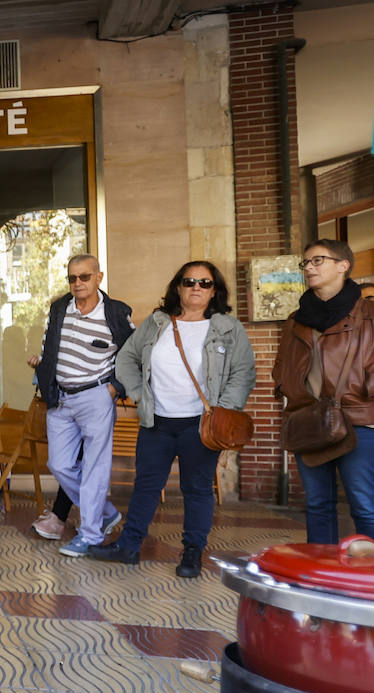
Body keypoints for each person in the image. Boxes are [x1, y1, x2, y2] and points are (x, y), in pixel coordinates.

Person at [88, 261, 255, 576]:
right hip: (157, 422)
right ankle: (129, 546)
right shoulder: (157, 323)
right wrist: (137, 392)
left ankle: (192, 553)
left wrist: (223, 410)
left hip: (201, 424)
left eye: (204, 283)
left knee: (197, 488)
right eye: (189, 281)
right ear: (177, 286)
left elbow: (243, 373)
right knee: (146, 485)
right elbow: (126, 357)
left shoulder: (228, 328)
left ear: (214, 290)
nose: (196, 287)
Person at [30, 254, 132, 557]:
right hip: (61, 397)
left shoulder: (114, 313)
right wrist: (43, 369)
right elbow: (51, 346)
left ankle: (90, 534)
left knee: (95, 470)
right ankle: (105, 511)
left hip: (96, 396)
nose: (78, 283)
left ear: (98, 277)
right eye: (72, 278)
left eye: (84, 277)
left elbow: (135, 355)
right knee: (59, 464)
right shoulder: (60, 307)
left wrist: (114, 388)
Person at [273, 240, 374, 542]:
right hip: (309, 421)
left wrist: (367, 394)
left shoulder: (368, 313)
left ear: (344, 265)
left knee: (365, 507)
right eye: (306, 263)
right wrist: (289, 390)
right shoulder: (296, 319)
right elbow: (283, 365)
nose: (310, 267)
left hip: (358, 420)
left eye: (318, 260)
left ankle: (367, 581)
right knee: (318, 506)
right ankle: (321, 580)